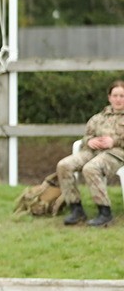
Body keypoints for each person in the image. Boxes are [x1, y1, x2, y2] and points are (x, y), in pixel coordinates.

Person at [57, 80, 124, 227]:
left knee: (91, 168)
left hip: (117, 154)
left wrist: (115, 142)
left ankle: (105, 212)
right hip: (92, 151)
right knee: (64, 165)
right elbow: (87, 135)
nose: (118, 99)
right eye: (115, 95)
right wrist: (89, 141)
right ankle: (76, 209)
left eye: (122, 96)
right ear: (109, 97)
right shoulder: (98, 117)